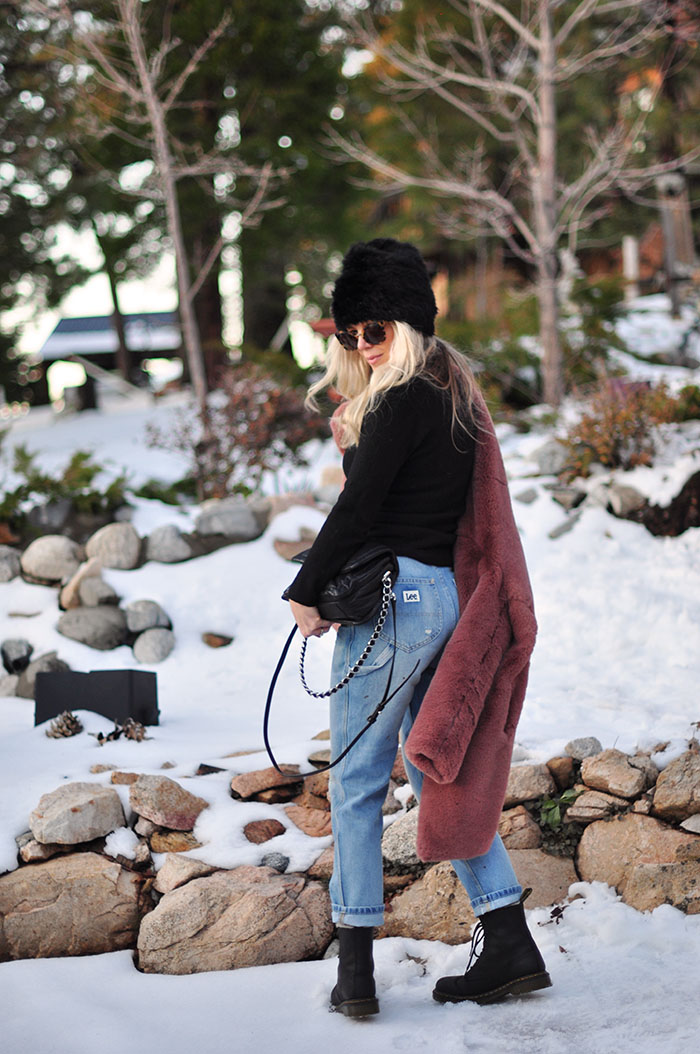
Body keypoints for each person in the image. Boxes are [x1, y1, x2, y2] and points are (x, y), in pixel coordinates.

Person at [284, 238, 550, 1017]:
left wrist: (305, 589)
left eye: (378, 331)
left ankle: (356, 970)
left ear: (411, 323)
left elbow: (362, 510)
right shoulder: (452, 392)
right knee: (439, 763)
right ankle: (506, 937)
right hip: (443, 597)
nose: (364, 348)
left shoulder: (400, 400)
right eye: (350, 334)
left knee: (359, 783)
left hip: (394, 601)